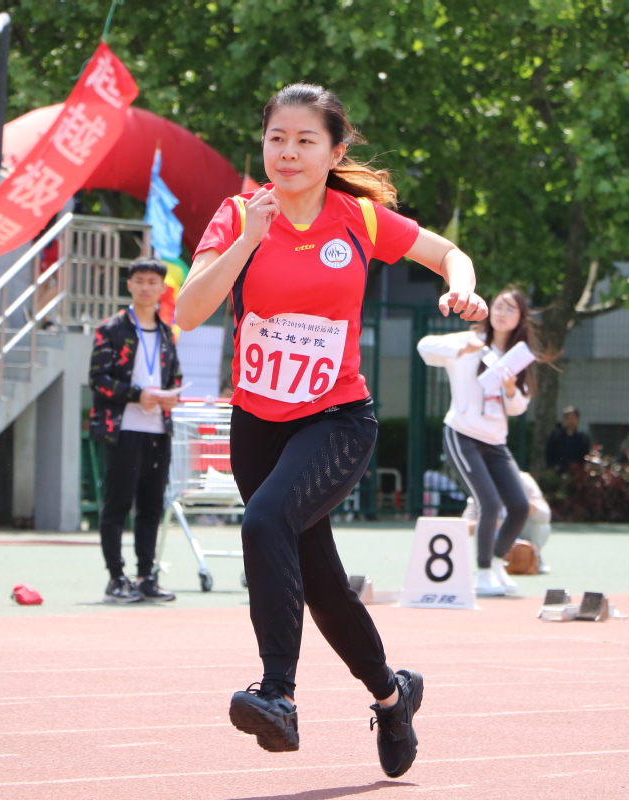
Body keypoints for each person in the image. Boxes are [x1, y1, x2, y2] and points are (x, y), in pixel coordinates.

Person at [177, 82, 487, 776]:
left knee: (263, 522)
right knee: (323, 585)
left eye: (304, 140)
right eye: (276, 139)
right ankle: (392, 695)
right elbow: (188, 312)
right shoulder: (238, 216)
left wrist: (462, 286)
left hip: (336, 420)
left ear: (335, 151)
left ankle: (278, 694)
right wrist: (248, 240)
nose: (287, 153)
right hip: (258, 424)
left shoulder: (360, 219)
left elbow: (448, 254)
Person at [418, 285, 537, 596]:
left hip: (495, 441)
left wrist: (510, 388)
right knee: (489, 502)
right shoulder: (470, 340)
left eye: (510, 309)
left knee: (519, 505)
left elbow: (518, 407)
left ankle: (497, 563)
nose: (502, 313)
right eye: (498, 306)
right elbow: (424, 346)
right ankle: (483, 572)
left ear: (521, 317)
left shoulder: (517, 356)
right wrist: (460, 350)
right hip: (462, 433)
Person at [88, 258, 181, 604]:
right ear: (129, 285)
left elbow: (175, 376)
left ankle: (146, 576)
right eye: (139, 281)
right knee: (117, 504)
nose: (145, 287)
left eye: (152, 282)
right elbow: (98, 379)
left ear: (162, 288)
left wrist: (172, 396)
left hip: (158, 428)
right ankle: (116, 577)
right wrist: (135, 395)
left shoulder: (167, 332)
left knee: (152, 505)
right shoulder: (111, 329)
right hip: (123, 428)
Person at [545, 405, 590, 472]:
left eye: (573, 418)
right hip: (557, 472)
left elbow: (585, 457)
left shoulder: (583, 438)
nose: (570, 421)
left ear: (578, 419)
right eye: (568, 418)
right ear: (564, 420)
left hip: (576, 473)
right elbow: (549, 454)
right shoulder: (556, 436)